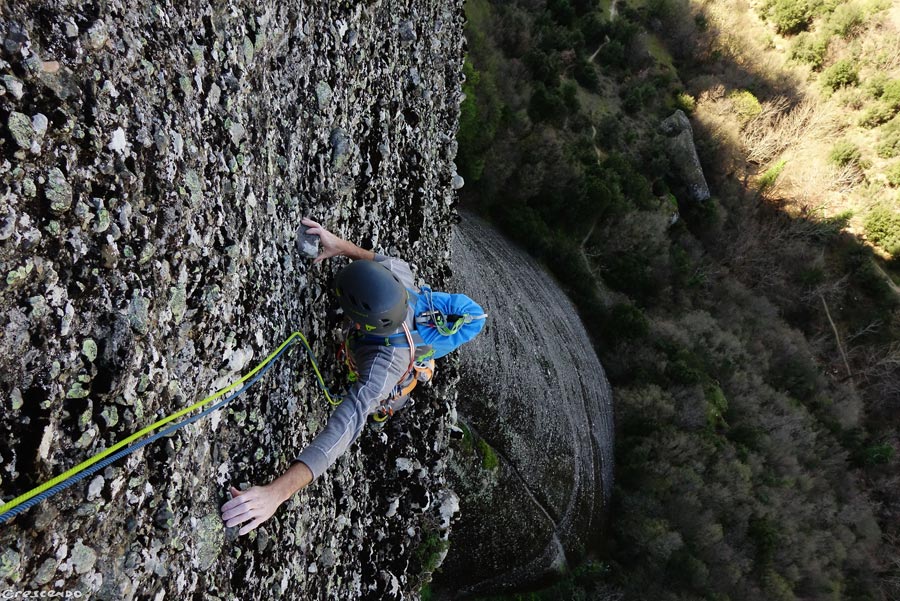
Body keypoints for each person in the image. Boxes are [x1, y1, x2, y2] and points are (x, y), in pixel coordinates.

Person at [220, 217, 435, 536]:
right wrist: (339, 246)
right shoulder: (398, 274)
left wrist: (277, 493)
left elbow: (343, 429)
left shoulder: (383, 366)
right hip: (400, 341)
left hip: (394, 385)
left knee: (376, 406)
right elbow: (376, 260)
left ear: (362, 324)